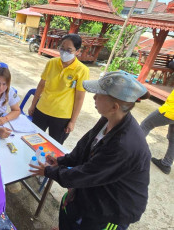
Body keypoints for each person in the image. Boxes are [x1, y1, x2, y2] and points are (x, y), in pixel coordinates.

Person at [30, 71, 151, 230]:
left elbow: (87, 174)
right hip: (93, 190)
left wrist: (49, 172)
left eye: (99, 95)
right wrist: (61, 160)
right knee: (69, 213)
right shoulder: (108, 118)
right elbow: (84, 147)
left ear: (114, 107)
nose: (94, 98)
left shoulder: (124, 145)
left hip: (112, 208)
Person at [28, 34, 89, 144]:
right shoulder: (52, 63)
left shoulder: (82, 70)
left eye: (69, 50)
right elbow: (41, 85)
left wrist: (72, 121)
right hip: (42, 109)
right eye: (62, 48)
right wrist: (33, 104)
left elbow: (79, 99)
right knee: (32, 140)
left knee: (54, 147)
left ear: (77, 51)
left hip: (61, 117)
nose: (64, 52)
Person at [140, 89, 174, 174]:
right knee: (173, 140)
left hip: (170, 110)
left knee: (146, 125)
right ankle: (166, 164)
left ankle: (129, 152)